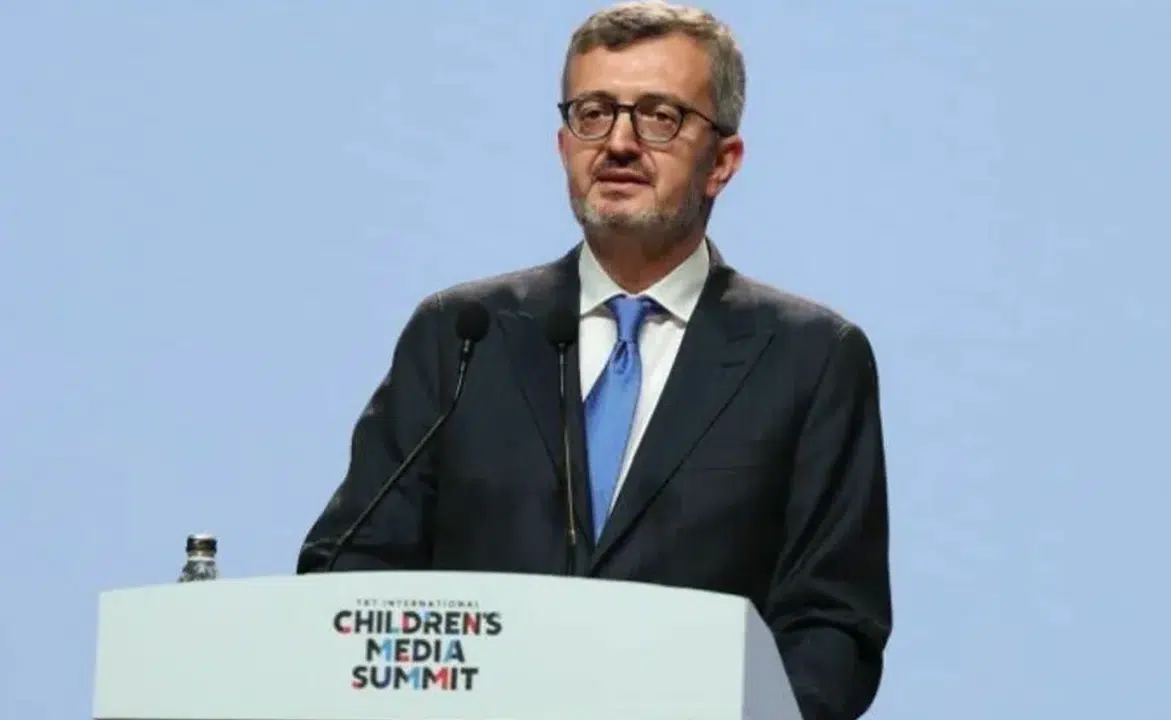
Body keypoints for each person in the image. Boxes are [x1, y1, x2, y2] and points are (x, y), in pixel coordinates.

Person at [297, 2, 892, 717]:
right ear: (562, 146)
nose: (618, 143)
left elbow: (833, 625)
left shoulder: (811, 359)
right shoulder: (461, 336)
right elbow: (353, 568)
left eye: (660, 117)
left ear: (723, 162)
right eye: (594, 113)